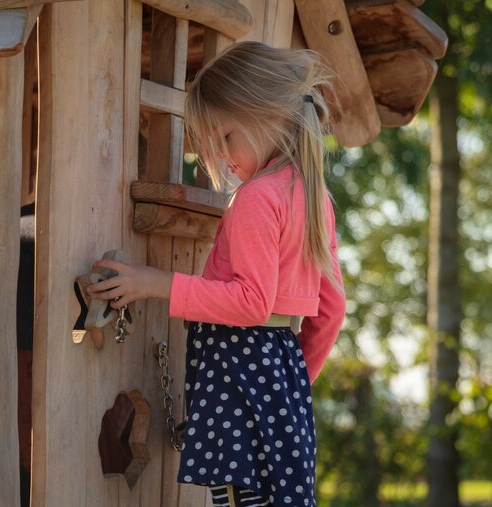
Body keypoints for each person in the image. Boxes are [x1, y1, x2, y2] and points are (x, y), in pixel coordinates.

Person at [86, 41, 346, 507]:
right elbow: (332, 311)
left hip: (239, 380)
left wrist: (153, 283)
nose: (224, 159)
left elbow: (250, 302)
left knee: (236, 497)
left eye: (226, 137)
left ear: (268, 114)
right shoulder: (316, 200)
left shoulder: (257, 198)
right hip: (282, 380)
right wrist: (289, 388)